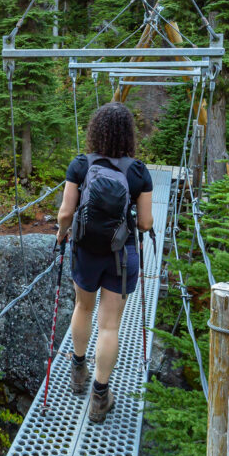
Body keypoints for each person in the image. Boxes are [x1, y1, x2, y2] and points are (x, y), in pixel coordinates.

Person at [55, 102, 153, 423]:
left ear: (95, 130)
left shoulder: (81, 165)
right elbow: (146, 224)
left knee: (83, 309)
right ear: (129, 136)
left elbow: (66, 214)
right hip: (120, 256)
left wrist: (61, 234)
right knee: (110, 325)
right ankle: (100, 396)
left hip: (85, 250)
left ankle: (77, 370)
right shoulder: (138, 172)